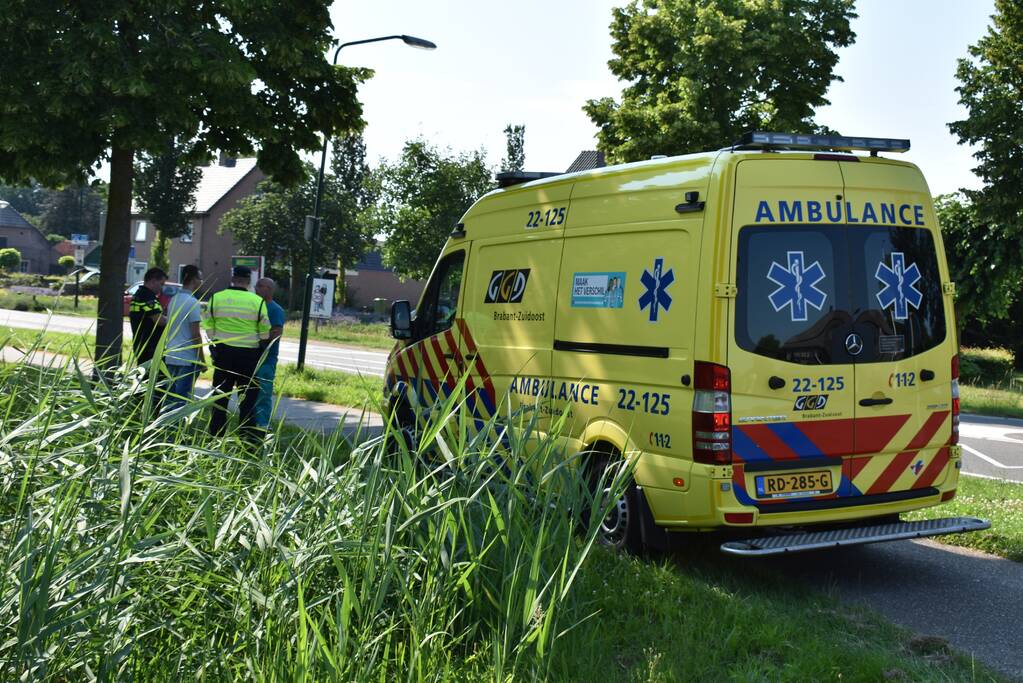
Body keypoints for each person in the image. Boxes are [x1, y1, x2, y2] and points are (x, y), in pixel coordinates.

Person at [203, 265, 270, 437]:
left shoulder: (216, 298)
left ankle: (215, 437)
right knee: (247, 401)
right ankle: (246, 441)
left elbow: (208, 325)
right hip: (248, 357)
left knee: (219, 399)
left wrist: (215, 341)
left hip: (223, 355)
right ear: (248, 281)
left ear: (233, 278)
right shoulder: (257, 301)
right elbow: (265, 332)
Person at [163, 265, 205, 411]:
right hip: (187, 358)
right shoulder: (193, 302)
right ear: (193, 280)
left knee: (169, 398)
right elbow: (195, 335)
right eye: (200, 278)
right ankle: (174, 432)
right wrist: (202, 360)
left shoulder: (173, 300)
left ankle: (162, 429)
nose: (201, 281)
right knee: (181, 401)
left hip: (171, 355)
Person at [253, 277, 285, 428]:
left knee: (263, 393)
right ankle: (250, 422)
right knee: (250, 393)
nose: (256, 287)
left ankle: (263, 424)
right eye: (257, 285)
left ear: (269, 290)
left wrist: (258, 340)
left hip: (266, 360)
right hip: (251, 358)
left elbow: (276, 332)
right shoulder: (253, 306)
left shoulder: (275, 310)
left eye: (260, 286)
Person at [129, 267, 168, 366]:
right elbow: (159, 320)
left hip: (143, 344)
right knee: (153, 379)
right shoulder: (146, 296)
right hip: (150, 347)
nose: (161, 288)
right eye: (161, 284)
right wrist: (174, 319)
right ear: (153, 281)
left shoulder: (140, 294)